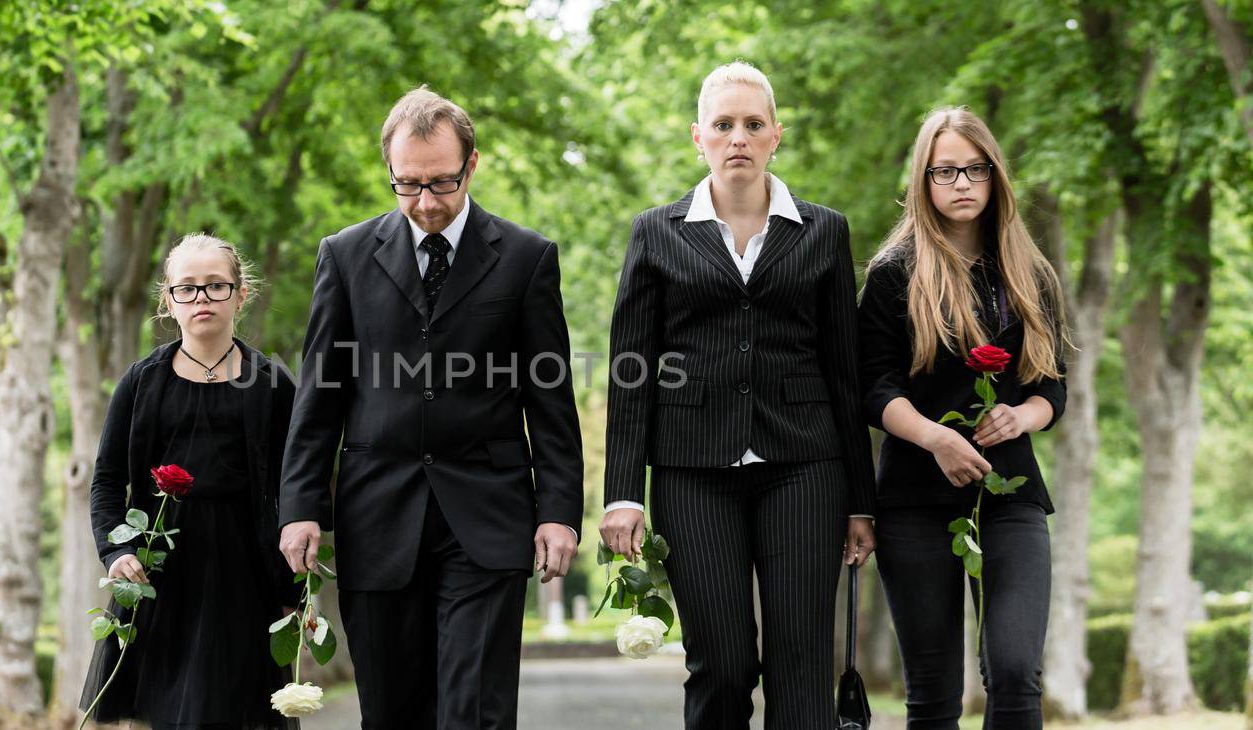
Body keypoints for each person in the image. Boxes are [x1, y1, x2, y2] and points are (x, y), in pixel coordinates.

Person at [277, 86, 584, 729]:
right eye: (407, 184)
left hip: (488, 514)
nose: (424, 202)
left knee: (473, 711)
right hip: (376, 512)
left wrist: (559, 512)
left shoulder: (528, 259)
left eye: (441, 183)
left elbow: (549, 400)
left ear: (472, 165)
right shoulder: (346, 255)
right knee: (390, 712)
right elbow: (320, 393)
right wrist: (301, 505)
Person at [599, 61, 877, 729]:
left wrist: (862, 501)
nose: (738, 139)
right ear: (699, 137)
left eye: (753, 125)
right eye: (723, 125)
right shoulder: (656, 233)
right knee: (721, 665)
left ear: (776, 135)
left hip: (806, 469)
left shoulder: (824, 232)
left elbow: (846, 371)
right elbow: (630, 370)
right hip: (693, 472)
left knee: (800, 662)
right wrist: (621, 491)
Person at [858, 107, 1066, 729]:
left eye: (974, 169)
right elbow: (873, 387)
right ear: (923, 181)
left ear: (995, 176)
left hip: (1011, 496)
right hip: (914, 501)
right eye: (944, 171)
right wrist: (934, 438)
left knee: (1014, 670)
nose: (961, 183)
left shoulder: (1030, 275)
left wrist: (1022, 417)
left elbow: (1053, 388)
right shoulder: (894, 274)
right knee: (932, 690)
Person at [80, 234, 300, 729]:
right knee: (167, 710)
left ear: (241, 295)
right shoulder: (141, 383)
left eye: (216, 286)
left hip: (244, 572)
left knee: (239, 711)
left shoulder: (272, 383)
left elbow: (295, 485)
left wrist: (292, 587)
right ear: (169, 301)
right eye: (187, 288)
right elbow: (108, 481)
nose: (201, 298)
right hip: (160, 570)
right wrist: (117, 552)